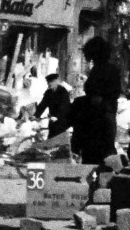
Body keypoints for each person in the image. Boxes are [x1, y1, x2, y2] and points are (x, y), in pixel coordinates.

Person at [48, 36, 121, 166]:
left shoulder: (105, 70)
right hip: (100, 120)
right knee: (98, 156)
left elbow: (100, 98)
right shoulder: (103, 69)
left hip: (100, 121)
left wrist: (82, 103)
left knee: (99, 157)